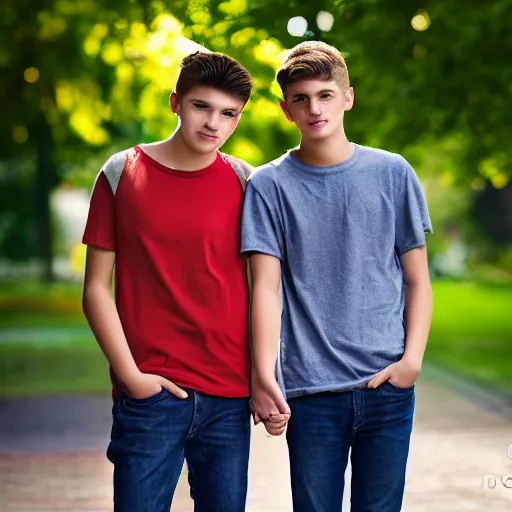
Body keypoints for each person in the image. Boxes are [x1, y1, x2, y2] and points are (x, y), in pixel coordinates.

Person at [242, 41, 433, 512]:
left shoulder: (393, 173)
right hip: (310, 392)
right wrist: (264, 375)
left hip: (387, 385)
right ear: (286, 110)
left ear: (348, 97)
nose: (315, 108)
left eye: (326, 95)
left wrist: (411, 362)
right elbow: (265, 289)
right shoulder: (268, 186)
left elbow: (417, 280)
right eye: (302, 98)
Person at [82, 51, 260, 512]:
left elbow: (265, 287)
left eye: (229, 114)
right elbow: (96, 287)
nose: (213, 123)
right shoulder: (121, 173)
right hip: (151, 394)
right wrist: (131, 377)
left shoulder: (246, 182)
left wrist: (262, 377)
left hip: (228, 394)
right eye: (201, 106)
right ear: (174, 102)